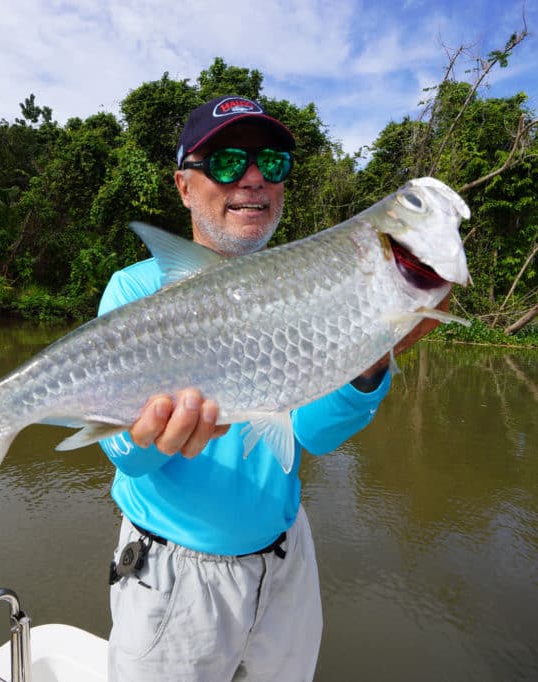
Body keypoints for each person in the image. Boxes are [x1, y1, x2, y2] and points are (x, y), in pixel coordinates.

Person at [97, 95, 446, 681]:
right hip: (173, 578)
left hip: (285, 564)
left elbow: (310, 432)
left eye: (272, 163)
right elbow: (124, 458)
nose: (254, 178)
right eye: (228, 162)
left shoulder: (306, 281)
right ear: (184, 186)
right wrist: (154, 440)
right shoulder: (134, 292)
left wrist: (369, 360)